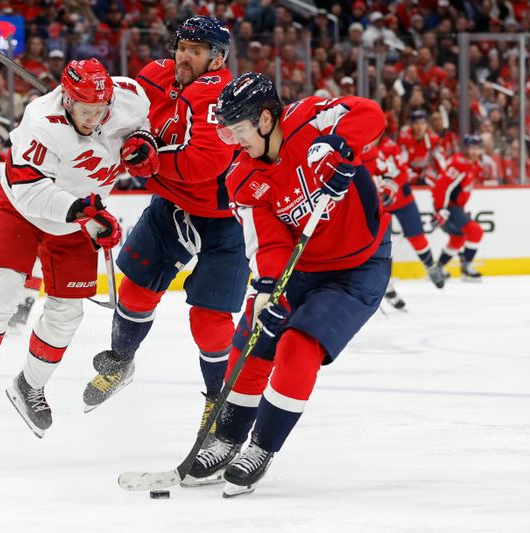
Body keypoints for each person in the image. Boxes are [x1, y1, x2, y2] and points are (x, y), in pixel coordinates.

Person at [187, 73, 390, 496]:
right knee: (253, 338)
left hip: (358, 267)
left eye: (236, 131)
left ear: (264, 119)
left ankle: (261, 447)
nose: (231, 142)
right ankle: (227, 437)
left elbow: (369, 114)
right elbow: (269, 240)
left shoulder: (310, 118)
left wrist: (340, 146)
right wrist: (268, 292)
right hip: (299, 269)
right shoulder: (242, 178)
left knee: (298, 344)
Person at [0, 59, 151, 438]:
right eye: (86, 110)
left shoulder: (128, 97)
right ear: (67, 101)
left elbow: (145, 122)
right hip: (21, 208)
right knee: (3, 292)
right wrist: (83, 213)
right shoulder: (40, 120)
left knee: (67, 313)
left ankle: (30, 386)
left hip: (79, 216)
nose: (95, 118)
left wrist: (143, 142)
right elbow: (30, 190)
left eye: (101, 109)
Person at [81, 18, 249, 438]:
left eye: (197, 50)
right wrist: (86, 103)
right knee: (135, 292)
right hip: (171, 207)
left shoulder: (220, 96)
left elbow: (203, 165)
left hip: (224, 219)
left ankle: (219, 402)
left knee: (210, 321)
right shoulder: (155, 75)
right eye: (183, 47)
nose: (185, 56)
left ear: (218, 58)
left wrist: (148, 160)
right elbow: (116, 110)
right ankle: (120, 362)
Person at [362, 135, 446, 310]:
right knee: (384, 246)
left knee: (417, 237)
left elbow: (401, 171)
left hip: (403, 199)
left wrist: (390, 187)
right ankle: (387, 286)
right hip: (381, 204)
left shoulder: (390, 147)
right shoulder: (361, 150)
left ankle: (430, 267)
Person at [433, 134, 485, 281]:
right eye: (472, 148)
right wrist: (440, 209)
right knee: (475, 231)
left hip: (455, 208)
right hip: (448, 208)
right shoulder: (459, 163)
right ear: (466, 148)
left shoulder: (471, 164)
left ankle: (438, 268)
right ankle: (466, 269)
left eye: (477, 148)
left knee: (458, 238)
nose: (475, 151)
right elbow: (442, 186)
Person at [397, 110, 444, 185]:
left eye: (422, 123)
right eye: (416, 123)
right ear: (411, 125)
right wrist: (413, 177)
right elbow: (402, 162)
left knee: (432, 180)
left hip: (425, 172)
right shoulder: (404, 138)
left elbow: (441, 161)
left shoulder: (433, 139)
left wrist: (442, 176)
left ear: (426, 125)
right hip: (409, 172)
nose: (420, 126)